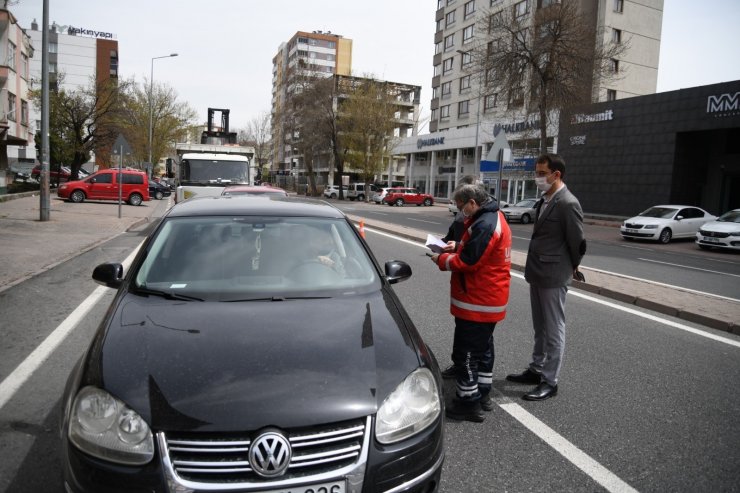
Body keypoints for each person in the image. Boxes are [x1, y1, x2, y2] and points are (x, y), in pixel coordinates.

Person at [506, 153, 585, 401]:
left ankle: (550, 381)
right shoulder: (545, 199)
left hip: (554, 274)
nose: (537, 177)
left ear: (556, 174)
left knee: (553, 329)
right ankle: (536, 368)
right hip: (538, 271)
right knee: (540, 327)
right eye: (537, 172)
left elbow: (577, 243)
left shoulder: (568, 203)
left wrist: (571, 267)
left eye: (541, 173)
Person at [431, 183, 512, 422]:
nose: (460, 211)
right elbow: (478, 249)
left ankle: (468, 402)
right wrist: (458, 245)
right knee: (483, 350)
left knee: (465, 354)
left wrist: (442, 259)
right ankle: (482, 393)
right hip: (487, 298)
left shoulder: (485, 223)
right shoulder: (490, 217)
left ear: (472, 203)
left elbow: (469, 261)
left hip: (478, 300)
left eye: (461, 206)